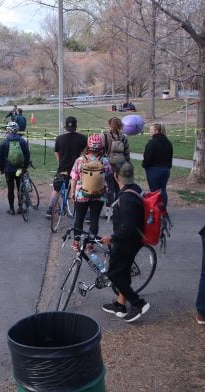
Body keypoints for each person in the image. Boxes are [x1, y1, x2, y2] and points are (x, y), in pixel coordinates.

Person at [101, 163, 151, 322]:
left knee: (114, 274)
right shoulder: (136, 188)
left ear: (116, 175)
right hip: (134, 239)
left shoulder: (126, 198)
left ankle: (138, 303)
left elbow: (128, 227)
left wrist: (112, 238)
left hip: (127, 241)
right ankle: (120, 305)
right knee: (123, 271)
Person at [70, 134, 113, 250]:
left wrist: (73, 192)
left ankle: (76, 242)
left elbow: (74, 177)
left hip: (81, 193)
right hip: (99, 194)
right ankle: (90, 244)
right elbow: (108, 175)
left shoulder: (80, 160)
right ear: (101, 147)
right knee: (94, 220)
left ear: (88, 146)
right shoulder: (104, 161)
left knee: (79, 218)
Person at [46, 116, 88, 219]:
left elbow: (56, 152)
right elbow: (86, 152)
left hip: (63, 167)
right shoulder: (82, 138)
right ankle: (86, 214)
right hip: (77, 168)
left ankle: (50, 210)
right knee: (83, 188)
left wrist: (60, 162)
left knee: (56, 188)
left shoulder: (59, 138)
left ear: (66, 127)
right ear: (76, 126)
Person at [0, 122, 30, 215]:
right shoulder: (22, 141)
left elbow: (0, 158)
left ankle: (11, 209)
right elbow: (27, 155)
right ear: (17, 130)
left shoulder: (4, 142)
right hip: (19, 169)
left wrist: (1, 169)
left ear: (8, 130)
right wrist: (25, 166)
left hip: (8, 169)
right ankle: (20, 207)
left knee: (10, 189)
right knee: (20, 187)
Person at [142, 122, 173, 208]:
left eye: (151, 130)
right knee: (163, 190)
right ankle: (163, 209)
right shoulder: (168, 142)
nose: (150, 132)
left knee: (154, 192)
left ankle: (155, 210)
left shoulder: (152, 143)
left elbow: (147, 157)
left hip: (153, 170)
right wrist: (168, 167)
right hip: (165, 169)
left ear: (156, 131)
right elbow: (170, 156)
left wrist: (144, 165)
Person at [103, 117, 130, 205]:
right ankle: (118, 208)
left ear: (109, 125)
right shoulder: (123, 137)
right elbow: (127, 152)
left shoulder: (105, 135)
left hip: (108, 165)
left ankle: (109, 211)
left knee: (110, 188)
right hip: (121, 165)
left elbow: (101, 150)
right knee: (119, 187)